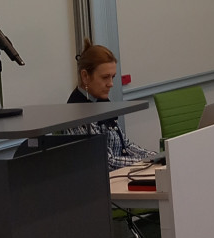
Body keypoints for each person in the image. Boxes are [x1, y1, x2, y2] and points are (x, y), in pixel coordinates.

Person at [66, 38, 156, 170]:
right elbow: (104, 161)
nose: (111, 84)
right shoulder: (77, 113)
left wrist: (154, 156)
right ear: (85, 76)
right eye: (105, 77)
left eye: (112, 77)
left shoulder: (101, 102)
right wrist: (146, 162)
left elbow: (125, 145)